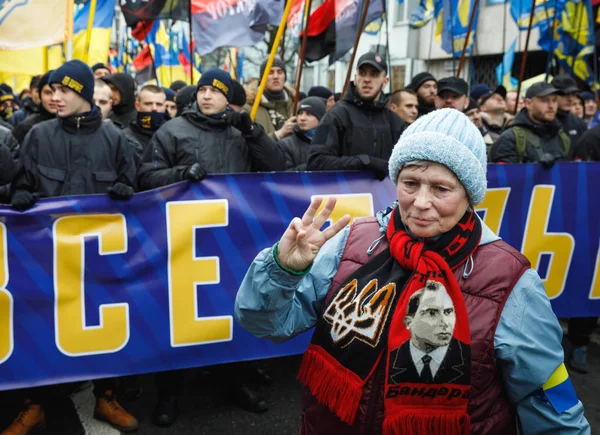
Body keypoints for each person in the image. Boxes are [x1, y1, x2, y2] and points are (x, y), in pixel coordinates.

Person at [235, 108, 590, 434]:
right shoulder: (353, 243)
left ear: (470, 194)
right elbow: (265, 324)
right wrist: (282, 271)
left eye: (441, 188)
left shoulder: (510, 280)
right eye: (410, 183)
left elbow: (551, 406)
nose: (421, 203)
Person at [5, 60, 138, 434]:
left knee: (106, 329)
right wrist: (21, 194)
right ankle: (35, 405)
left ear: (82, 93)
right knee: (39, 329)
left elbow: (140, 192)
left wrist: (128, 195)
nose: (55, 96)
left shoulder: (116, 139)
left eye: (63, 90)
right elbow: (20, 182)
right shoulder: (37, 135)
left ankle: (106, 397)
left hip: (100, 257)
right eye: (51, 90)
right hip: (46, 258)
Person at [306, 52, 405, 179]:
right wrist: (363, 162)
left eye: (374, 74)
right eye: (362, 73)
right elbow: (316, 162)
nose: (367, 79)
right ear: (355, 78)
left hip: (385, 196)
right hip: (346, 196)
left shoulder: (394, 121)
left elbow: (407, 165)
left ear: (385, 81)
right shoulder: (336, 115)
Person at [388, 281, 469, 385]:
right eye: (432, 313)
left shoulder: (467, 356)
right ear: (409, 322)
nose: (445, 323)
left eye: (448, 312)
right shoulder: (391, 358)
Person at [491, 82, 570, 165]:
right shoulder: (510, 138)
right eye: (544, 101)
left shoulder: (562, 137)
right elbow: (504, 175)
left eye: (554, 100)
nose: (551, 106)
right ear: (528, 104)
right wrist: (536, 168)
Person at [244, 58, 295, 140]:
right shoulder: (249, 108)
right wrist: (278, 134)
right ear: (262, 78)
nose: (276, 76)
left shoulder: (295, 106)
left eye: (280, 72)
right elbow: (248, 142)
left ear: (285, 77)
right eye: (270, 72)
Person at [278, 96, 326, 170]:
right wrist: (313, 165)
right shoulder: (285, 145)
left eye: (309, 114)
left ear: (321, 118)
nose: (302, 118)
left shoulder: (331, 142)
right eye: (300, 113)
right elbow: (285, 176)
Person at [123, 85, 168, 159]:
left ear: (165, 106)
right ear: (137, 106)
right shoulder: (124, 137)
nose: (154, 108)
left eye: (159, 104)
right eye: (148, 104)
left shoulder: (172, 135)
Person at [12, 71, 56, 145]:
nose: (54, 98)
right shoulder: (25, 128)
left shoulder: (76, 125)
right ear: (40, 95)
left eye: (60, 91)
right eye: (47, 93)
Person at [551, 75, 588, 150]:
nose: (570, 99)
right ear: (553, 94)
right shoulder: (540, 121)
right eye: (565, 94)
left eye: (573, 94)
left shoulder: (580, 123)